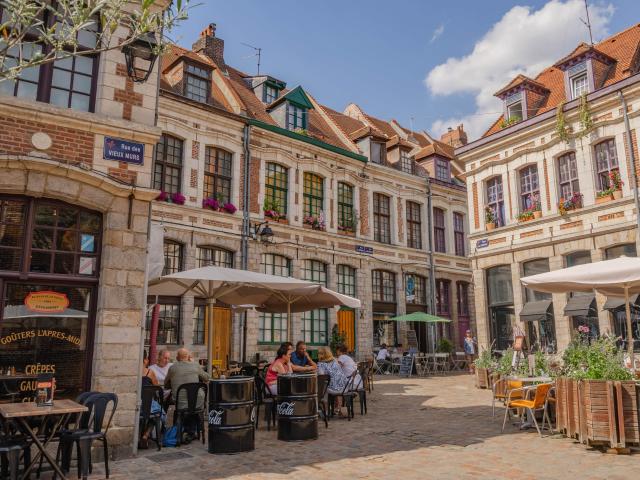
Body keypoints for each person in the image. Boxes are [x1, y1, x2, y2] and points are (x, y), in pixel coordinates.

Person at [164, 348, 209, 441]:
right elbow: (207, 377)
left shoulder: (172, 368)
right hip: (197, 402)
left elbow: (166, 384)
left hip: (180, 403)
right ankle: (191, 432)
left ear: (177, 358)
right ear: (188, 357)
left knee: (185, 403)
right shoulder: (195, 365)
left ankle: (185, 431)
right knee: (193, 402)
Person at [316, 347, 350, 416]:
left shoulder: (321, 364)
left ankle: (325, 410)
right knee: (328, 384)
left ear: (321, 354)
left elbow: (321, 376)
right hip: (344, 388)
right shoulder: (335, 360)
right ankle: (334, 409)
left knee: (322, 386)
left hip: (334, 390)